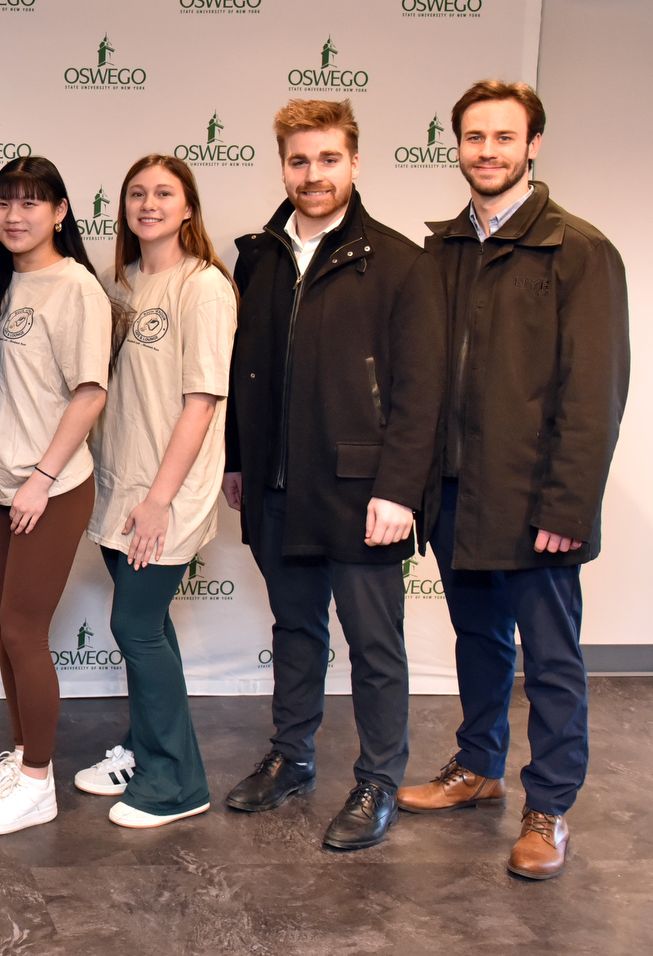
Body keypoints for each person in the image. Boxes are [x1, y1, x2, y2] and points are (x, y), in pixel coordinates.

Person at [399, 81, 628, 880]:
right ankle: (478, 766)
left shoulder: (579, 249)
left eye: (504, 137)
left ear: (533, 145)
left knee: (552, 657)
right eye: (473, 137)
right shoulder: (444, 247)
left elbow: (595, 390)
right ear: (456, 145)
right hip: (459, 490)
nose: (487, 151)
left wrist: (568, 503)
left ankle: (550, 808)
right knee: (479, 640)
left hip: (538, 501)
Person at [220, 101, 446, 851]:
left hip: (362, 492)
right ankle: (292, 756)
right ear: (282, 164)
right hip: (278, 487)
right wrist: (239, 462)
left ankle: (378, 779)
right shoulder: (259, 256)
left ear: (354, 163)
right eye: (298, 161)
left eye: (327, 160)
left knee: (375, 645)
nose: (312, 176)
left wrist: (399, 490)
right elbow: (243, 372)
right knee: (295, 629)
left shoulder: (400, 262)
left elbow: (420, 392)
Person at [0, 157, 111, 836]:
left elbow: (90, 392)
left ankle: (39, 784)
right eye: (3, 203)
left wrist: (42, 477)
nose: (15, 216)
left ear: (61, 212)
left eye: (31, 203)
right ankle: (21, 756)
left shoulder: (74, 287)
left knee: (23, 631)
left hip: (50, 486)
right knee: (7, 632)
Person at [77, 154, 235, 830]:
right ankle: (145, 750)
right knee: (150, 630)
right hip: (117, 483)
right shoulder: (120, 284)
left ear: (188, 208)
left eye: (164, 193)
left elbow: (200, 403)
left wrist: (160, 499)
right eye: (137, 193)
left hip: (165, 491)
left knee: (135, 626)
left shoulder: (202, 288)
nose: (149, 203)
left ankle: (176, 783)